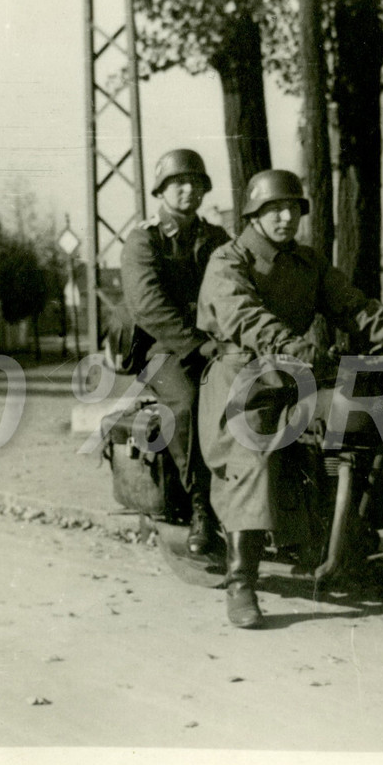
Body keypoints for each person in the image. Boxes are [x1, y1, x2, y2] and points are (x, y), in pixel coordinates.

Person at [197, 169, 383, 629]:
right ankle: (241, 577)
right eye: (274, 209)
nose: (286, 217)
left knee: (367, 421)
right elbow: (247, 318)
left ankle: (356, 545)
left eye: (293, 209)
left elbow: (356, 307)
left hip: (295, 376)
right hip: (241, 383)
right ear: (254, 214)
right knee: (254, 451)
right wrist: (302, 351)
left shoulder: (309, 264)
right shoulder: (229, 260)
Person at [120, 148, 230, 555]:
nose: (187, 189)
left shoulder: (216, 238)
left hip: (214, 345)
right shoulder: (143, 240)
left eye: (195, 183)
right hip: (162, 351)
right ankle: (200, 506)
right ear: (161, 190)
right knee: (188, 403)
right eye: (177, 183)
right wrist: (197, 344)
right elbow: (147, 306)